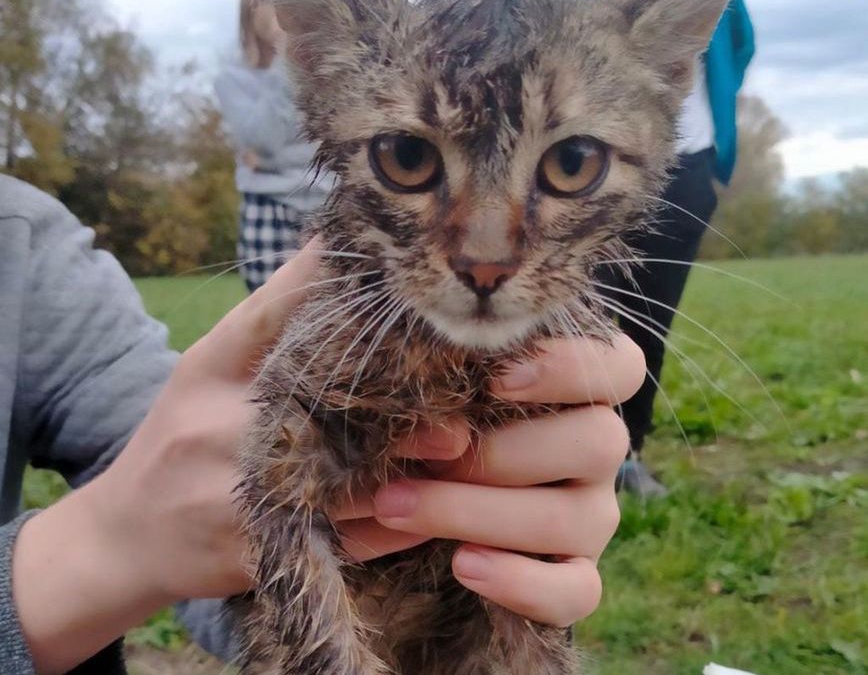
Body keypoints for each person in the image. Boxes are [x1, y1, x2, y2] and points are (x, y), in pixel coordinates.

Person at [0, 173, 644, 674]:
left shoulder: (25, 241)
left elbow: (171, 453)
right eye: (409, 158)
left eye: (570, 163)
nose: (486, 252)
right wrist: (109, 545)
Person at [564, 0, 755, 496]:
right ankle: (568, 456)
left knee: (652, 320)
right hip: (587, 178)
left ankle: (629, 454)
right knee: (579, 318)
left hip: (686, 165)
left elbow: (738, 50)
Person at [214, 0, 328, 293]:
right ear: (250, 12)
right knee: (267, 315)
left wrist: (269, 162)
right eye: (271, 1)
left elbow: (330, 141)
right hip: (267, 207)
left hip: (325, 202)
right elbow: (262, 138)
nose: (283, 12)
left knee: (331, 313)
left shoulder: (321, 74)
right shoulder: (232, 80)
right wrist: (287, 58)